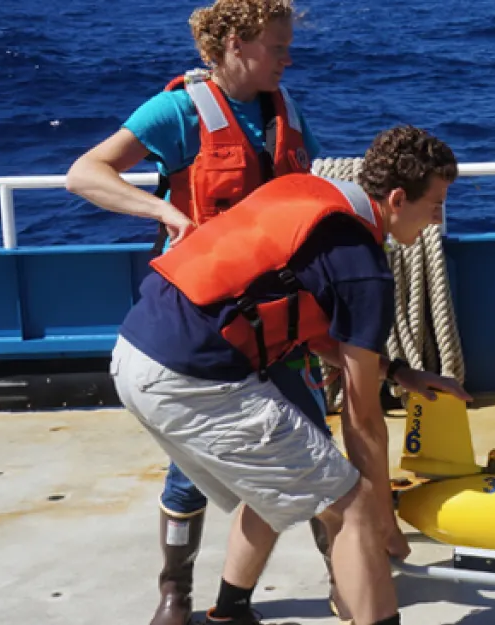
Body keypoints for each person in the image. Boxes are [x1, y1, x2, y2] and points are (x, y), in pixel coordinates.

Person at [110, 124, 470, 625]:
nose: (437, 218)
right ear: (395, 198)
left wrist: (402, 374)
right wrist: (383, 518)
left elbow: (309, 325)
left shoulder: (307, 192)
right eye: (434, 204)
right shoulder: (365, 269)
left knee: (287, 477)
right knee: (349, 504)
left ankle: (230, 613)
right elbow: (363, 419)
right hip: (194, 377)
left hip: (134, 353)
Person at [62, 1, 336, 623]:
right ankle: (175, 592)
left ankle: (344, 577)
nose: (288, 59)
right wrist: (164, 212)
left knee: (317, 447)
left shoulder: (286, 111)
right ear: (235, 44)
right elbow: (84, 173)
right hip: (202, 322)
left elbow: (306, 195)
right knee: (190, 468)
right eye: (276, 47)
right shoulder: (179, 110)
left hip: (278, 317)